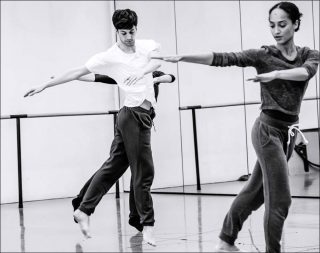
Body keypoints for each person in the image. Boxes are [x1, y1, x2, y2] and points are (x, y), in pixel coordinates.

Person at [153, 2, 319, 252]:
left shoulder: (310, 54)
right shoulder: (264, 55)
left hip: (289, 133)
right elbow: (225, 58)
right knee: (281, 200)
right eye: (272, 25)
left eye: (282, 24)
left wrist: (275, 75)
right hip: (266, 132)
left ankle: (226, 238)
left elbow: (304, 73)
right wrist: (184, 57)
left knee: (256, 192)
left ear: (296, 24)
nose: (276, 30)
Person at [25, 9, 163, 246]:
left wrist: (143, 71)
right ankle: (147, 225)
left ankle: (84, 210)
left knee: (112, 168)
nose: (128, 37)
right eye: (123, 33)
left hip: (139, 115)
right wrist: (46, 85)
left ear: (136, 29)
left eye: (131, 31)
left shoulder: (147, 46)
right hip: (133, 116)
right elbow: (78, 71)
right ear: (116, 32)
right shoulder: (110, 56)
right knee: (144, 172)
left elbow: (159, 61)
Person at [69, 71, 175, 232]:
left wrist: (156, 79)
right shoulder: (130, 73)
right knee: (139, 168)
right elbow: (101, 77)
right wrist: (75, 76)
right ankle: (136, 216)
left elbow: (171, 77)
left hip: (136, 119)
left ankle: (83, 200)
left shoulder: (151, 72)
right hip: (134, 121)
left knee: (118, 164)